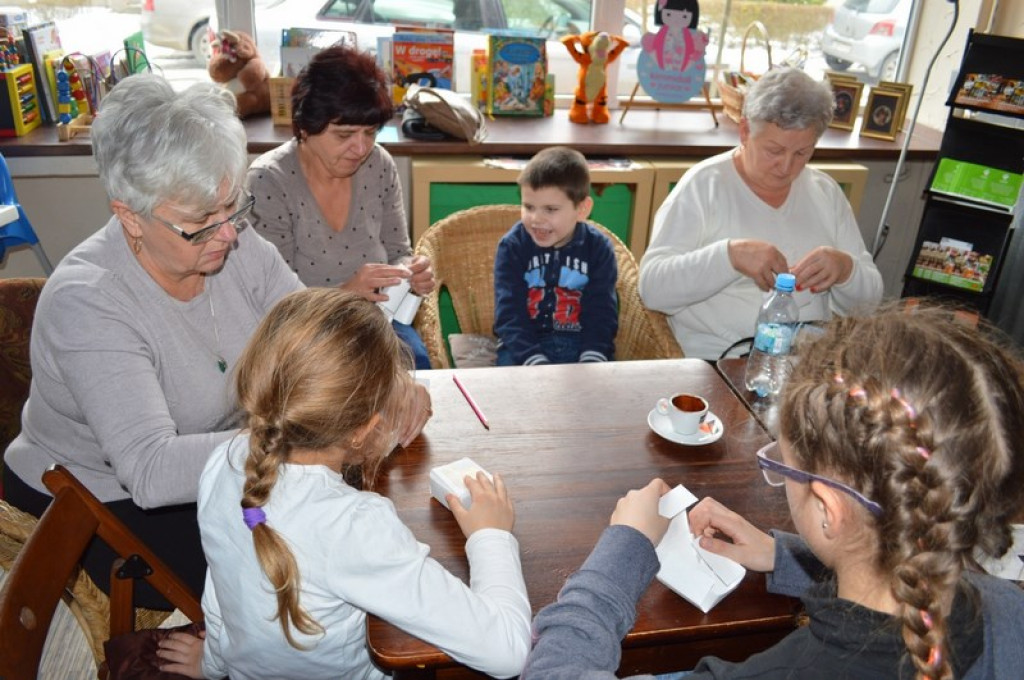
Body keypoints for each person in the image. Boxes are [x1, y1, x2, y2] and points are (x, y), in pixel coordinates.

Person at [0, 74, 431, 606]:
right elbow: (152, 472)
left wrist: (388, 381)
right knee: (306, 574)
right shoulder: (89, 302)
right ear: (130, 216)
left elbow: (317, 334)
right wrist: (308, 437)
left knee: (358, 540)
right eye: (201, 219)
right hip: (98, 507)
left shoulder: (235, 244)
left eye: (231, 206)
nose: (228, 232)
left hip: (226, 463)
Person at [521, 303, 1024, 679]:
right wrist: (789, 557)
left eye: (782, 464)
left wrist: (623, 548)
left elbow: (553, 669)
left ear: (828, 508)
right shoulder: (1008, 611)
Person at [161, 289, 531, 679]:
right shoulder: (354, 527)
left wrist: (212, 663)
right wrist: (490, 535)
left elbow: (225, 588)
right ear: (364, 430)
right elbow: (507, 651)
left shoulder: (224, 461)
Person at [638, 67, 883, 360]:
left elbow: (870, 304)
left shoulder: (825, 192)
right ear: (745, 131)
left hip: (806, 363)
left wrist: (845, 270)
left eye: (802, 153)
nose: (786, 167)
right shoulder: (704, 186)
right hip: (721, 362)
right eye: (774, 151)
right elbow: (652, 288)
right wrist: (730, 256)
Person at [248, 45, 435, 370]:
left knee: (416, 366)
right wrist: (346, 293)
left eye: (370, 132)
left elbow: (397, 251)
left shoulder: (378, 165)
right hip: (306, 334)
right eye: (344, 134)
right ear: (306, 127)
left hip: (377, 321)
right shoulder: (270, 181)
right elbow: (272, 302)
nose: (360, 148)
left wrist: (410, 273)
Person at [493, 146, 618, 365]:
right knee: (513, 384)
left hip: (581, 343)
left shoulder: (598, 249)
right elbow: (509, 314)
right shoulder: (512, 246)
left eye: (550, 209)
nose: (536, 219)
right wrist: (532, 359)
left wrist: (592, 355)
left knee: (601, 383)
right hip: (521, 346)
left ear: (582, 209)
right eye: (529, 207)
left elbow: (602, 313)